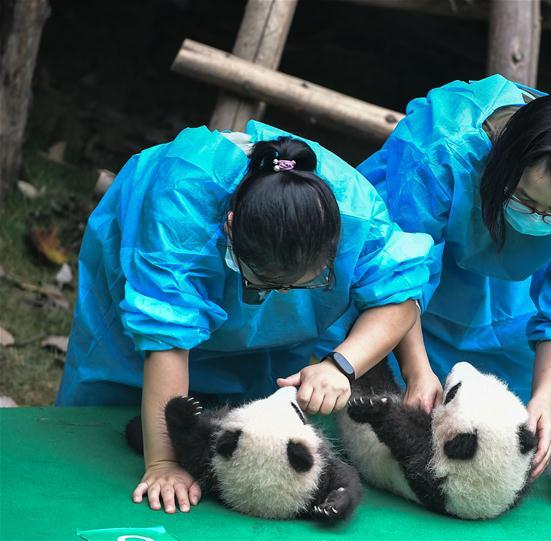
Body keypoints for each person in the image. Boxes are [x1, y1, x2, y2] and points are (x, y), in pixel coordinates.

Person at [56, 120, 433, 514]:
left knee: (253, 407)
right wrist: (165, 463)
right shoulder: (180, 205)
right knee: (102, 418)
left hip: (267, 257)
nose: (280, 296)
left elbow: (400, 292)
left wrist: (341, 366)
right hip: (152, 256)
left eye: (303, 285)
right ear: (230, 227)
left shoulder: (356, 210)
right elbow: (165, 336)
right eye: (267, 285)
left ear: (336, 242)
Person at [321, 74, 551, 480]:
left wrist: (544, 397)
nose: (537, 219)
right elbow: (398, 270)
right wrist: (417, 371)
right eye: (525, 200)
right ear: (503, 167)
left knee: (512, 420)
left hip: (510, 297)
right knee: (391, 415)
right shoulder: (439, 152)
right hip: (408, 285)